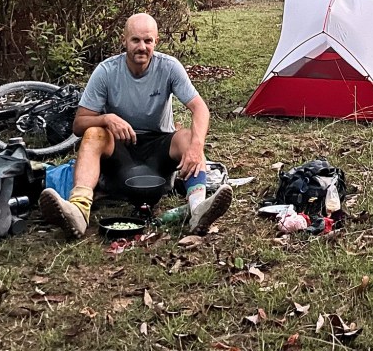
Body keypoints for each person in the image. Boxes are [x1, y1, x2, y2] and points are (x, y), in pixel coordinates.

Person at [38, 13, 232, 238]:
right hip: (120, 150)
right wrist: (106, 119)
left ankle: (198, 209)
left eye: (148, 41)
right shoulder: (106, 71)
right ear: (124, 40)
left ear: (156, 41)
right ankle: (78, 211)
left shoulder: (169, 67)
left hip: (159, 150)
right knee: (93, 133)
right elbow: (79, 124)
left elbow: (200, 108)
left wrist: (197, 147)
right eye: (135, 40)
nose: (142, 47)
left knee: (189, 137)